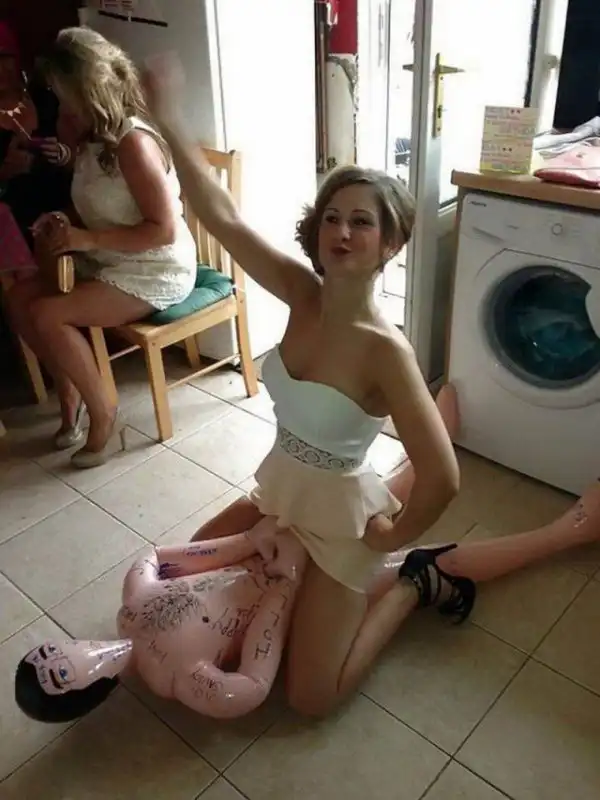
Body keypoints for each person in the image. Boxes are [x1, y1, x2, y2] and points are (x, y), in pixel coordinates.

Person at [141, 57, 600, 718]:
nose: (342, 231)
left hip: (344, 527)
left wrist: (390, 536)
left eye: (361, 222)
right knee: (178, 582)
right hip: (282, 493)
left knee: (309, 698)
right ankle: (358, 545)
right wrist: (168, 116)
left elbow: (444, 477)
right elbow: (226, 219)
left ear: (390, 244)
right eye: (332, 217)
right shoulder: (302, 292)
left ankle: (414, 582)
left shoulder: (387, 352)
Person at [4, 29, 197, 468]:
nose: (59, 105)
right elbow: (99, 201)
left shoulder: (134, 143)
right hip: (112, 258)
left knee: (48, 313)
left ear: (87, 91)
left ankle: (103, 411)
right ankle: (70, 393)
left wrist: (86, 239)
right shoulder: (92, 138)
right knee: (19, 299)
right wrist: (64, 217)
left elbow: (163, 231)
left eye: (64, 95)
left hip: (155, 268)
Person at [0, 21, 73, 245]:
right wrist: (3, 174)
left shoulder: (49, 99)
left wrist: (62, 155)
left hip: (66, 218)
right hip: (10, 232)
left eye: (4, 57)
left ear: (17, 57)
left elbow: (86, 159)